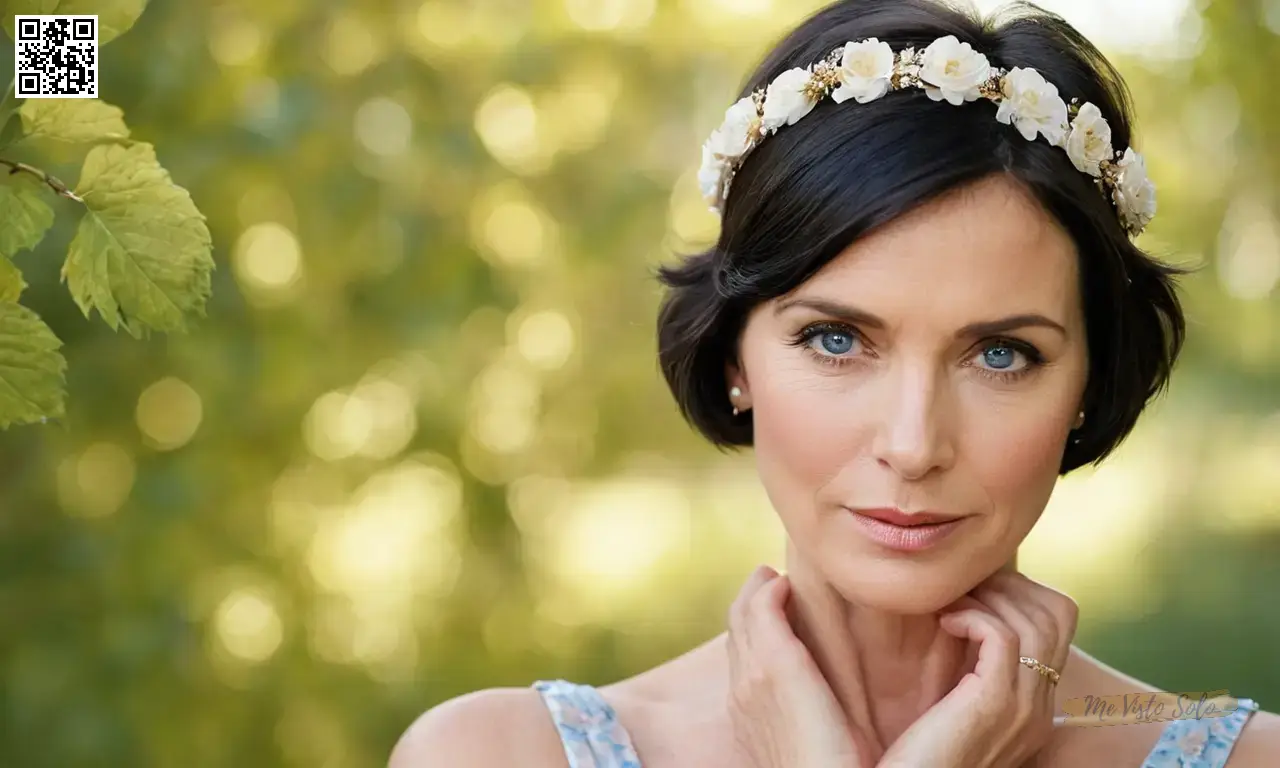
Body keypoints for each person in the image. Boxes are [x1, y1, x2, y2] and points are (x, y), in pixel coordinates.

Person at [390, 1, 1280, 765]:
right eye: (837, 339)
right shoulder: (492, 754)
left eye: (1001, 354)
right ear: (736, 356)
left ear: (1091, 380)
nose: (913, 444)